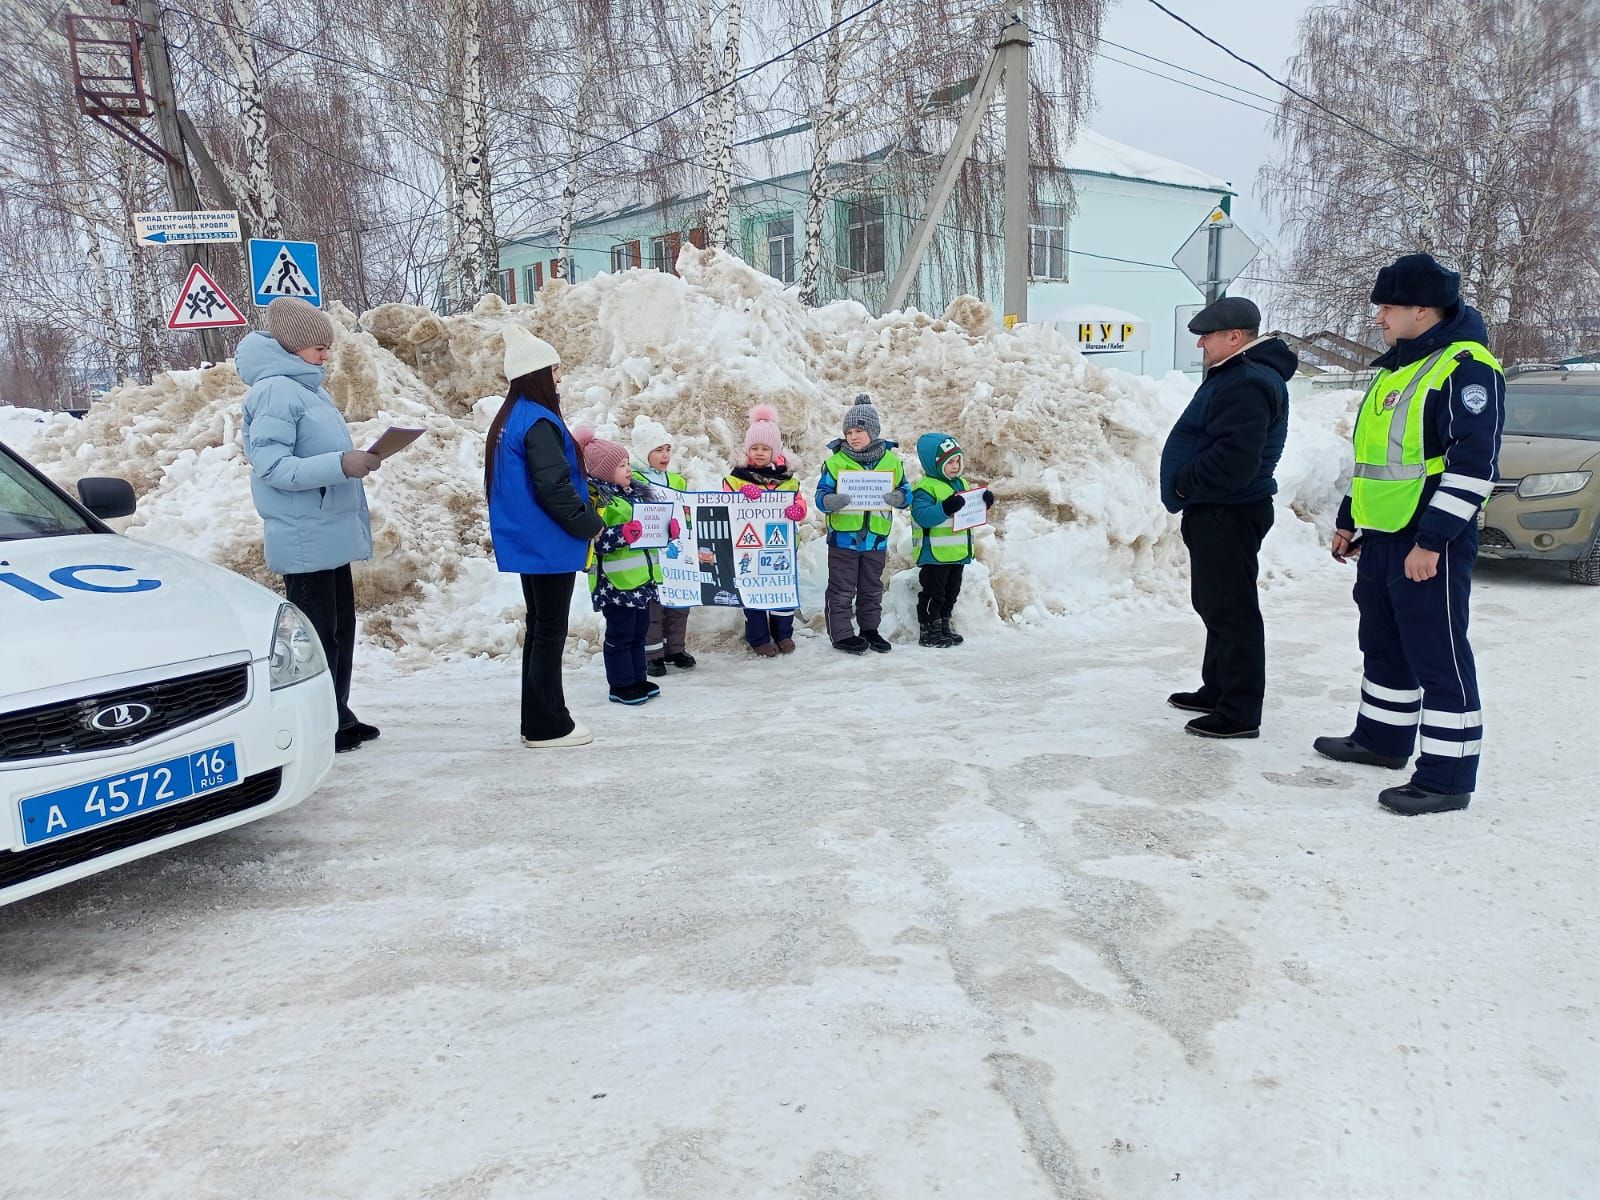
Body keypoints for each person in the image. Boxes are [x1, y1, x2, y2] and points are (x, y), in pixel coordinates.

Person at [1313, 253, 1504, 816]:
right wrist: (1351, 518)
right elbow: (1374, 460)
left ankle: (1447, 779)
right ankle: (1382, 740)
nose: (1379, 318)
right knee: (1384, 643)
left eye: (1387, 307)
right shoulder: (1397, 369)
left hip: (1428, 539)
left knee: (1438, 655)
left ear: (1423, 310)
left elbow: (1475, 463)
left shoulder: (1466, 367)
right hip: (1385, 535)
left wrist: (1434, 540)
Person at [240, 296, 379, 755]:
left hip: (327, 532)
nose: (327, 354)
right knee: (317, 639)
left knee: (340, 630)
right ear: (292, 346)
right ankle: (316, 725)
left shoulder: (307, 389)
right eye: (319, 347)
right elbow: (273, 467)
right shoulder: (275, 392)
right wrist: (342, 464)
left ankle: (337, 716)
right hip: (304, 535)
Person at [1158, 296, 1297, 740]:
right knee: (1216, 604)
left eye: (1208, 335)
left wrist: (1183, 481)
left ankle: (1238, 711)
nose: (1200, 343)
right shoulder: (1238, 376)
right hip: (1219, 508)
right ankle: (1217, 689)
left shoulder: (1246, 382)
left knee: (1232, 609)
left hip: (1229, 510)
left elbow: (1234, 459)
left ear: (1235, 337)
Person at [485, 326, 603, 748]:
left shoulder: (512, 416)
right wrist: (589, 523)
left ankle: (537, 717)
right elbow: (553, 487)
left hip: (530, 540)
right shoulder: (538, 420)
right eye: (554, 369)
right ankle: (547, 725)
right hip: (548, 541)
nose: (559, 377)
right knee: (549, 632)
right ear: (536, 373)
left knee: (540, 629)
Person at [579, 429, 671, 706]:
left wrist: (668, 529)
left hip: (641, 580)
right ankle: (620, 684)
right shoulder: (599, 502)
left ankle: (637, 678)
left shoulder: (635, 495)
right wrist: (623, 534)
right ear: (604, 472)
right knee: (621, 633)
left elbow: (650, 529)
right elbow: (593, 541)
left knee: (639, 630)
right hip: (615, 583)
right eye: (621, 466)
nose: (629, 469)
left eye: (628, 463)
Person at [816, 395, 909, 653]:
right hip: (844, 539)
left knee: (871, 588)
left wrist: (900, 497)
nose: (853, 436)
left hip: (876, 538)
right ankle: (842, 634)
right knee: (842, 589)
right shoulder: (835, 462)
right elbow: (820, 497)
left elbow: (905, 491)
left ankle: (870, 629)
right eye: (848, 432)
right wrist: (832, 501)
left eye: (859, 430)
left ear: (873, 431)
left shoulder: (891, 461)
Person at [724, 404, 807, 656]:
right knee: (754, 591)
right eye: (754, 448)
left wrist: (798, 510)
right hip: (749, 548)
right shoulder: (737, 477)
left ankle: (783, 633)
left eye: (765, 449)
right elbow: (724, 506)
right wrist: (741, 496)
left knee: (782, 589)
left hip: (781, 547)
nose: (759, 453)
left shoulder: (788, 479)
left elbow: (799, 501)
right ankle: (758, 638)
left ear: (776, 451)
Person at [909, 433, 993, 647]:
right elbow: (923, 516)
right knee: (933, 593)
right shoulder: (924, 488)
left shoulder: (961, 484)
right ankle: (929, 629)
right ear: (934, 464)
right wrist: (945, 508)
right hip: (934, 554)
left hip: (956, 552)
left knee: (950, 593)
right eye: (949, 462)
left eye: (957, 461)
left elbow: (969, 512)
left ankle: (943, 624)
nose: (955, 466)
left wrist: (984, 503)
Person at [630, 416, 696, 677]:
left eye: (667, 449)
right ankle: (653, 654)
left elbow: (687, 511)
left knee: (679, 602)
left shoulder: (677, 481)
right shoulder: (635, 481)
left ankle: (675, 649)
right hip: (652, 553)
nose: (665, 454)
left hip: (677, 550)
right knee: (654, 606)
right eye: (658, 450)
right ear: (644, 453)